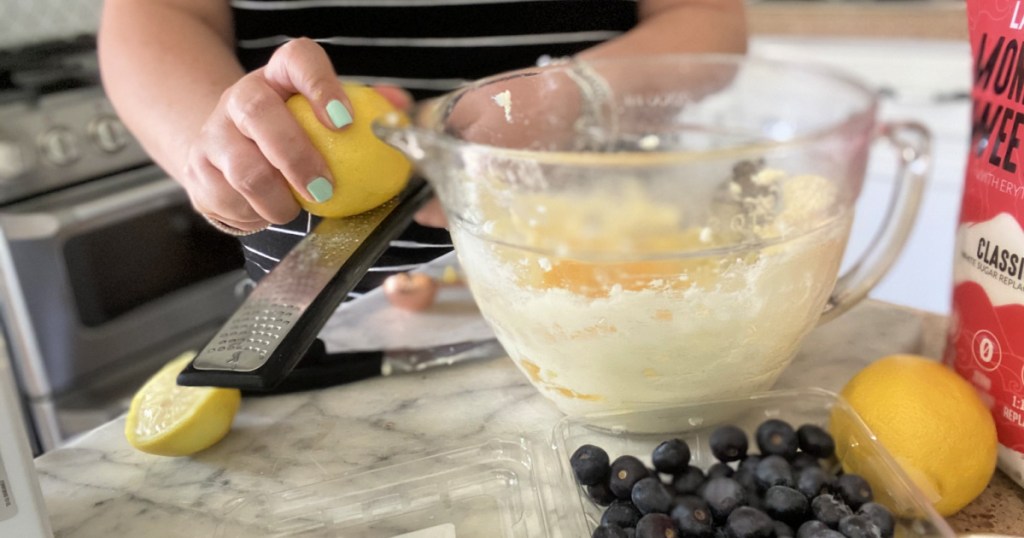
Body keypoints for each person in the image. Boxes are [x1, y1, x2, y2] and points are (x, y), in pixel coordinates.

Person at [96, 0, 747, 386]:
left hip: (613, 319)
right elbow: (157, 14)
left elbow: (705, 16)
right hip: (318, 339)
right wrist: (205, 150)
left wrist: (574, 96)